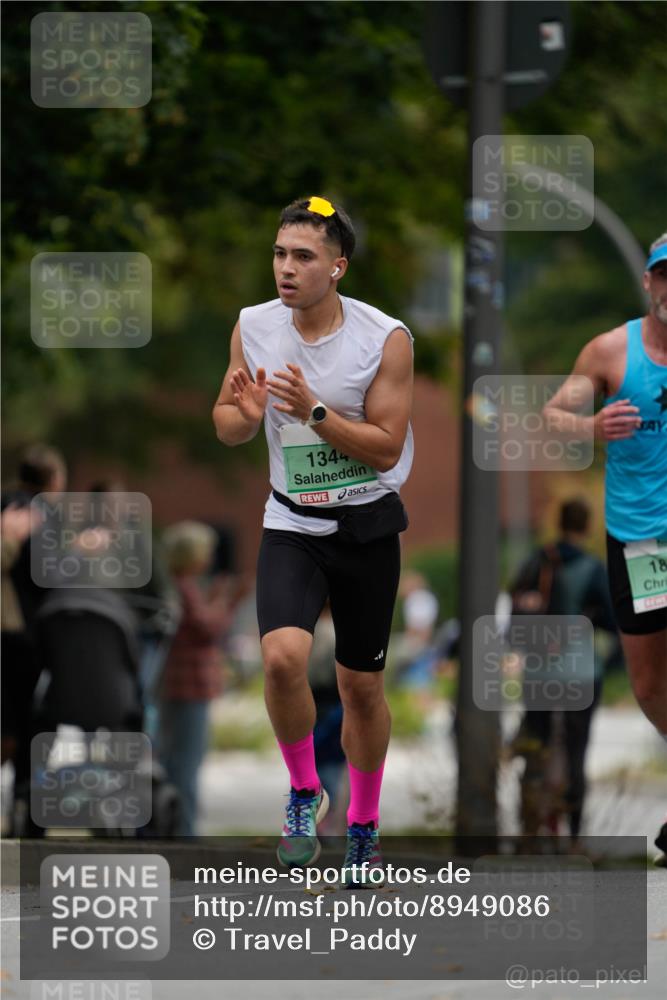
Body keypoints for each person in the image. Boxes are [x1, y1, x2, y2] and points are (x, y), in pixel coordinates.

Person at [212, 196, 414, 883]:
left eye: (303, 257)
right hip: (291, 520)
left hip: (363, 526)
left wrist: (316, 412)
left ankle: (362, 826)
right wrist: (242, 416)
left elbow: (386, 449)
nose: (286, 268)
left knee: (359, 687)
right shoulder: (253, 326)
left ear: (337, 267)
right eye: (279, 254)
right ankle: (303, 792)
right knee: (280, 659)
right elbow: (228, 422)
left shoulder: (384, 338)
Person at [543, 234, 667, 859]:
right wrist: (591, 426)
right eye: (664, 277)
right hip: (640, 541)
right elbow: (553, 416)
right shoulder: (611, 350)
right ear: (649, 283)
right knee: (648, 685)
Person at [509, 497, 619, 848]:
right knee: (576, 751)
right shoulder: (591, 568)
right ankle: (574, 839)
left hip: (539, 671)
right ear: (586, 526)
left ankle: (529, 831)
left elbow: (513, 612)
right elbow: (613, 621)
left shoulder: (536, 561)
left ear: (559, 523)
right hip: (581, 672)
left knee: (536, 747)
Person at [157, 521, 231, 836]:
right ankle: (184, 832)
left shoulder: (174, 585)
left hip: (173, 683)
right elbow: (207, 629)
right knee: (187, 761)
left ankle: (173, 827)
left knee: (174, 757)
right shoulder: (185, 587)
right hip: (190, 685)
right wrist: (226, 600)